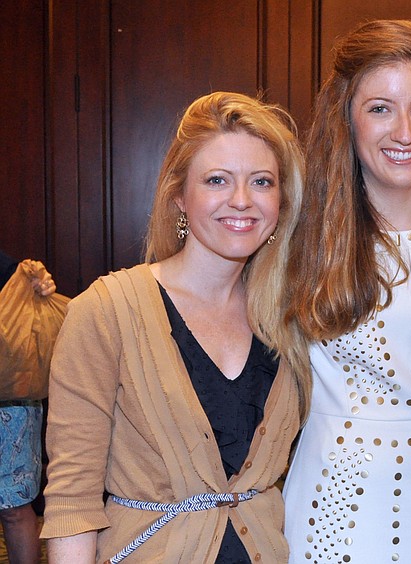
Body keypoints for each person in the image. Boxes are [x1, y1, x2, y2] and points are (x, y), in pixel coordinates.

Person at [40, 92, 310, 563]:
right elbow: (71, 501)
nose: (242, 200)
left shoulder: (290, 320)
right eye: (217, 180)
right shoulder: (108, 312)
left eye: (262, 181)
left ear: (282, 202)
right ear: (179, 195)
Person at [281, 19, 411, 563]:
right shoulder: (307, 228)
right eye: (380, 108)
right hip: (337, 500)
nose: (405, 131)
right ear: (346, 120)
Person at [0, 251, 56, 564]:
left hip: (11, 405)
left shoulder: (9, 269)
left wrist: (39, 283)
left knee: (14, 508)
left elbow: (33, 287)